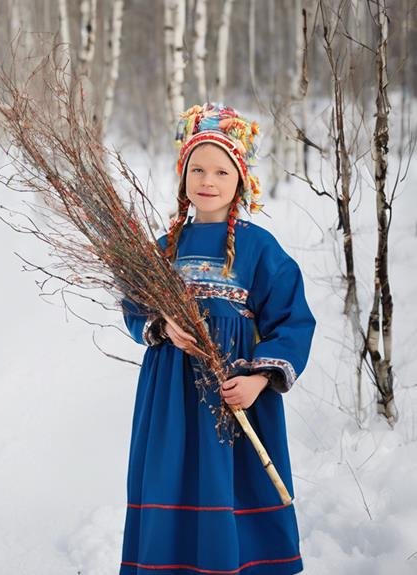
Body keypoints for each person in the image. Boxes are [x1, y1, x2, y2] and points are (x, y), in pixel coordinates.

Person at [120, 103, 316, 575]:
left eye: (221, 171)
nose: (208, 181)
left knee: (234, 483)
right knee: (173, 476)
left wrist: (260, 379)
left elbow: (293, 320)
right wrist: (161, 326)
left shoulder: (259, 247)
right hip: (172, 398)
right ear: (183, 175)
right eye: (198, 169)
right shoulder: (164, 247)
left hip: (236, 396)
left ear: (241, 181)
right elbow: (135, 304)